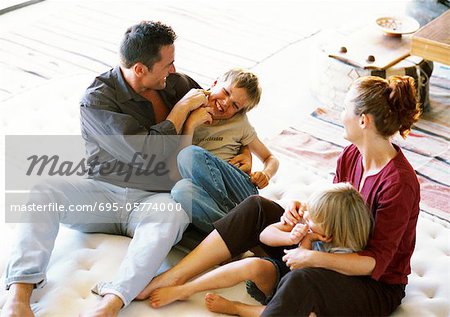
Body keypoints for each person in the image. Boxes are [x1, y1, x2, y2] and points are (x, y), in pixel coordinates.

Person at [1, 21, 242, 317]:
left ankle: (111, 303)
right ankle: (19, 298)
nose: (173, 69)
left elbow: (226, 120)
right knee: (43, 191)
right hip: (103, 193)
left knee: (174, 212)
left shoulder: (177, 84)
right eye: (167, 64)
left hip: (155, 198)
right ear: (140, 69)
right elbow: (144, 153)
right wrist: (180, 113)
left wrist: (248, 154)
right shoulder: (98, 100)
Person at [140, 75, 421, 316]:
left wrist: (312, 259)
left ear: (363, 120)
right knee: (257, 207)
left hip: (372, 284)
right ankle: (173, 278)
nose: (340, 114)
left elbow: (375, 263)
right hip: (328, 251)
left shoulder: (399, 184)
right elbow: (334, 208)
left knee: (303, 281)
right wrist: (306, 213)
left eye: (345, 108)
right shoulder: (351, 155)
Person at [149, 182, 371, 316]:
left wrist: (308, 246)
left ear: (329, 235)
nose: (305, 219)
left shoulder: (342, 257)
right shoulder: (307, 224)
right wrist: (290, 235)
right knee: (251, 264)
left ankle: (237, 309)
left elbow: (301, 283)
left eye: (311, 221)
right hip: (278, 279)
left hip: (297, 295)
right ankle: (184, 289)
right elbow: (264, 235)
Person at [170, 68, 279, 234]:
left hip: (238, 188)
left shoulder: (240, 124)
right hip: (204, 190)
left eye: (235, 105)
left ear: (240, 111)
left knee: (189, 154)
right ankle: (234, 233)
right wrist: (190, 125)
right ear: (214, 83)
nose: (226, 103)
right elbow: (177, 165)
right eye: (226, 92)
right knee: (181, 190)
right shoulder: (190, 104)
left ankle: (238, 216)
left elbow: (270, 158)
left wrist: (266, 174)